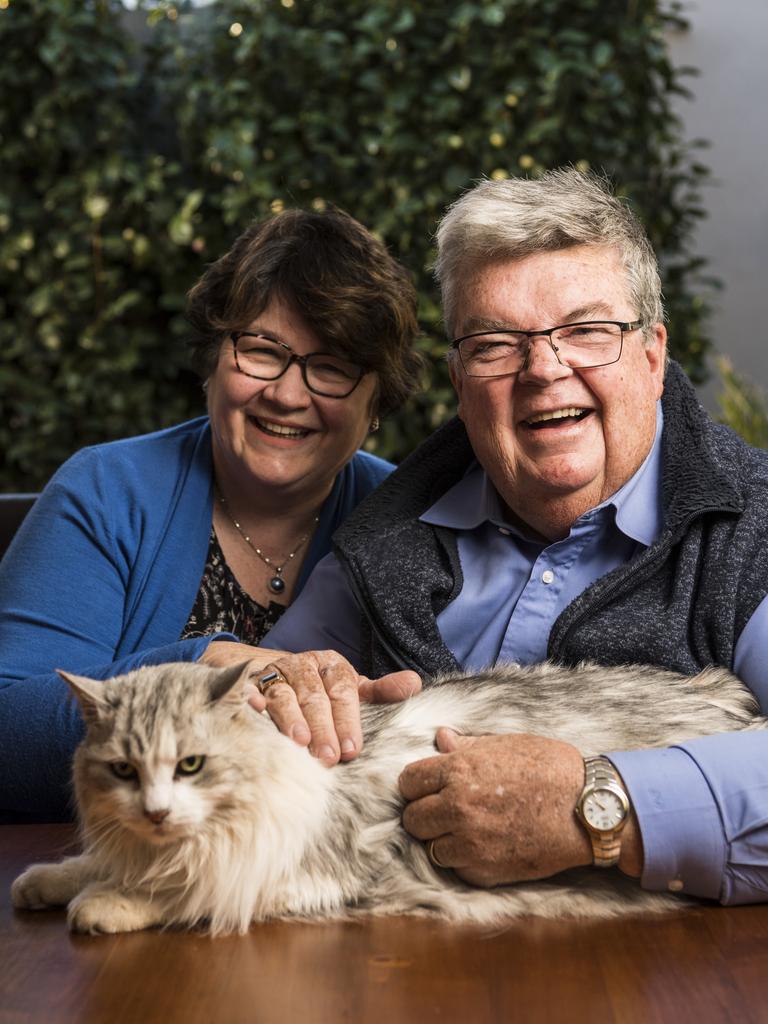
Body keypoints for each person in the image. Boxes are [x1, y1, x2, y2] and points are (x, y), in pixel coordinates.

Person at [255, 169, 768, 906]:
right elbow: (258, 708)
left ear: (652, 357)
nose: (544, 370)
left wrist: (604, 809)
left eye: (588, 331)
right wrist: (281, 692)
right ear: (461, 381)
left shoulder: (751, 528)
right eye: (497, 344)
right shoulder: (382, 541)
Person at [0, 206, 423, 820]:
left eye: (331, 367)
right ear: (214, 360)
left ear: (377, 401)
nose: (286, 393)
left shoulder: (410, 521)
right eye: (261, 350)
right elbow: (6, 730)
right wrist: (202, 666)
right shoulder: (105, 492)